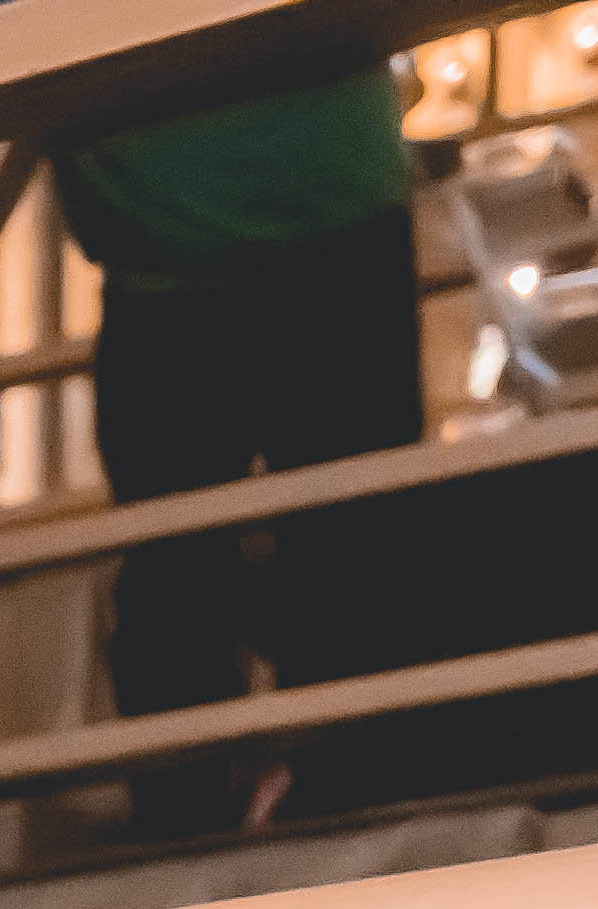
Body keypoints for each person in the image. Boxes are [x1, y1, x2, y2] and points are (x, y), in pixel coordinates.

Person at [54, 64, 425, 826]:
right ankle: (335, 800)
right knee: (356, 545)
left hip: (165, 239)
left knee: (176, 574)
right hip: (331, 209)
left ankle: (196, 815)